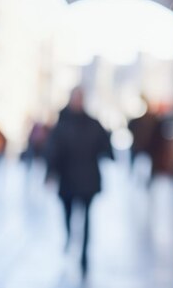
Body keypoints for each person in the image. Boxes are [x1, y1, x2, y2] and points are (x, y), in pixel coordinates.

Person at [46, 86, 113, 278]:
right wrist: (51, 172)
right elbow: (53, 150)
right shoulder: (62, 124)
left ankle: (84, 254)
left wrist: (108, 151)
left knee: (87, 218)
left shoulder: (93, 123)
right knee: (66, 212)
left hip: (88, 179)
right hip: (67, 179)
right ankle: (69, 237)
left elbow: (104, 145)